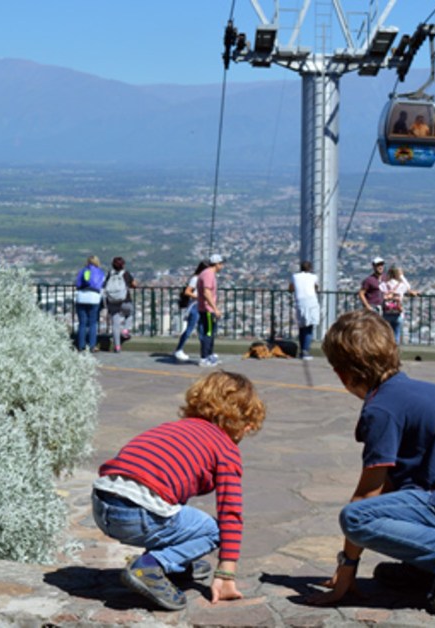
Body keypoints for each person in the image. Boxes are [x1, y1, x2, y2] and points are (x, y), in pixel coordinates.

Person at [307, 309, 435, 619]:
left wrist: (347, 568)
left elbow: (366, 497)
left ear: (343, 374)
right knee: (390, 504)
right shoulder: (410, 392)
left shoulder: (381, 409)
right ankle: (430, 568)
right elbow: (391, 484)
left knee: (354, 518)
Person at [92, 371, 266, 611]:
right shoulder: (225, 448)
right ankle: (151, 565)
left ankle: (177, 564)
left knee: (172, 507)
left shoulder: (173, 428)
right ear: (243, 422)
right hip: (137, 515)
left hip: (102, 505)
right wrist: (226, 572)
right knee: (216, 531)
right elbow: (230, 514)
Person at [173, 261, 209, 363]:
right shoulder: (195, 279)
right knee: (189, 329)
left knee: (202, 330)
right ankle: (179, 349)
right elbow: (187, 292)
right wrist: (199, 297)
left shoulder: (203, 279)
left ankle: (205, 353)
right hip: (195, 306)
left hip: (201, 306)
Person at [103, 257, 138, 353]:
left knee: (115, 324)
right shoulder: (125, 274)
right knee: (130, 313)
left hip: (112, 301)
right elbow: (134, 284)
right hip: (125, 300)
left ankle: (117, 346)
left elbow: (105, 285)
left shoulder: (110, 274)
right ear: (123, 265)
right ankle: (125, 330)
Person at [197, 253, 225, 367]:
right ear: (217, 264)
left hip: (205, 308)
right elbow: (207, 292)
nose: (222, 266)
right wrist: (215, 308)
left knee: (210, 333)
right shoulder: (209, 274)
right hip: (208, 309)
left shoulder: (206, 273)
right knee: (208, 333)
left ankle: (209, 356)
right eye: (221, 263)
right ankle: (204, 358)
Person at [74, 255, 106, 352]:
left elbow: (78, 284)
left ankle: (81, 345)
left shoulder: (83, 271)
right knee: (92, 323)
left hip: (81, 297)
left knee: (82, 323)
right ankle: (92, 345)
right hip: (94, 298)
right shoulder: (100, 272)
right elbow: (102, 285)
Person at [289, 260, 320, 360]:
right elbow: (316, 288)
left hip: (300, 302)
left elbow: (290, 288)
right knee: (309, 327)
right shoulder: (313, 277)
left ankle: (302, 349)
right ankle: (305, 351)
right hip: (311, 302)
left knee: (302, 327)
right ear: (310, 268)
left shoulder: (295, 276)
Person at [380, 265, 419, 344]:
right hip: (398, 313)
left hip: (386, 313)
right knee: (396, 336)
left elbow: (379, 290)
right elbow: (408, 287)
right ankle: (394, 350)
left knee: (386, 336)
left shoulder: (383, 285)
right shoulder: (401, 286)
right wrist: (402, 276)